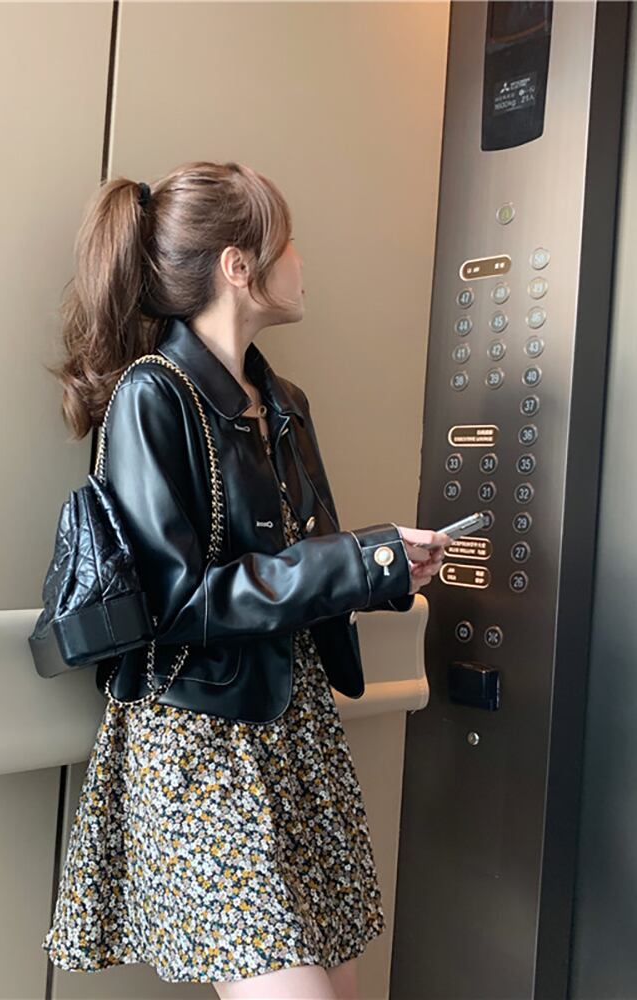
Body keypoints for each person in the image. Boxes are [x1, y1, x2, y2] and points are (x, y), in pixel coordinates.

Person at [40, 161, 451, 999]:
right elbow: (179, 601)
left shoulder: (284, 400)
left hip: (297, 734)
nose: (300, 262)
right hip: (203, 743)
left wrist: (385, 572)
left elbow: (306, 561)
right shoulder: (153, 396)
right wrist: (359, 558)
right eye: (286, 243)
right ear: (238, 265)